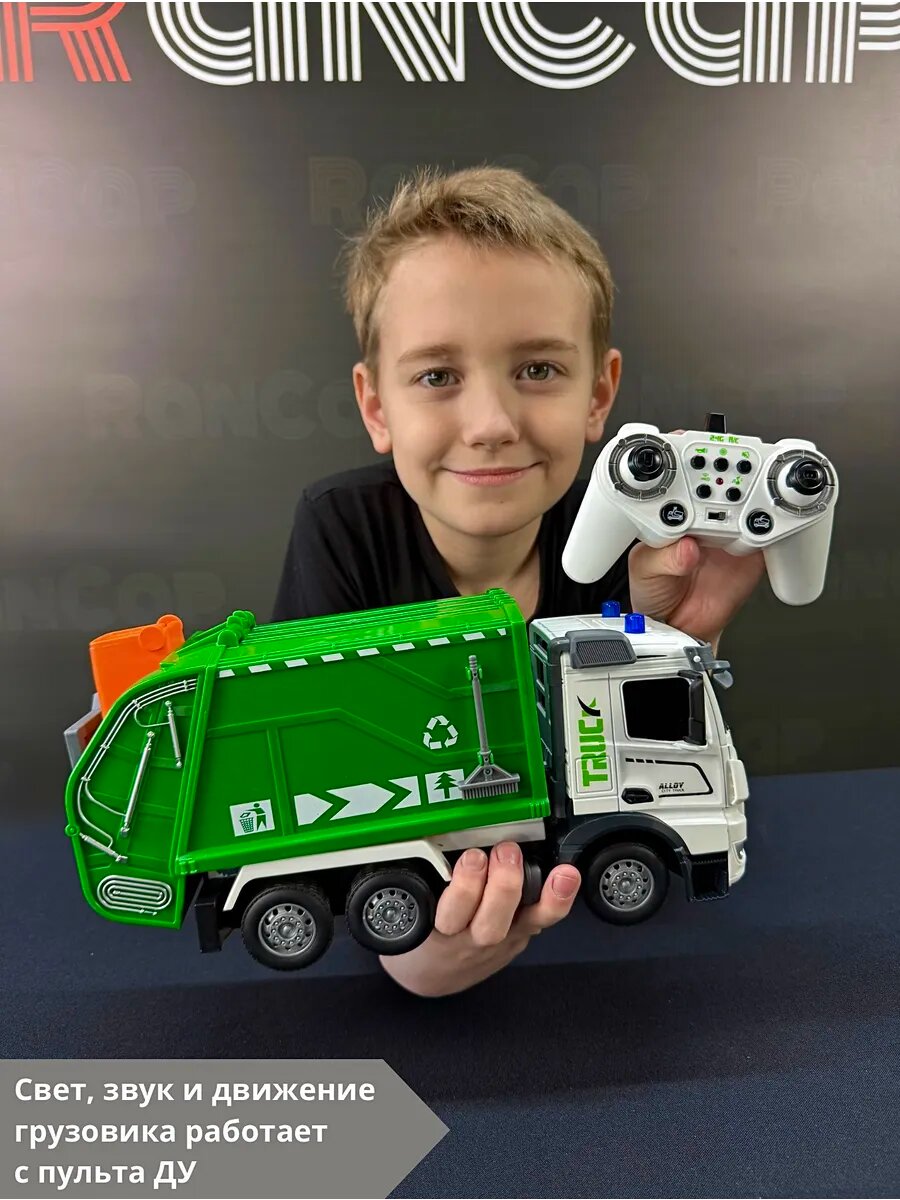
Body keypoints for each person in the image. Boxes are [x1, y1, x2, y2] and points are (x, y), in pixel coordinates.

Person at [272, 164, 765, 997]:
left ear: (599, 395)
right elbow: (320, 779)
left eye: (537, 369)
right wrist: (412, 952)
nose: (492, 425)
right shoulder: (340, 529)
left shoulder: (636, 539)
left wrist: (687, 637)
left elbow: (663, 746)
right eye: (437, 376)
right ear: (376, 406)